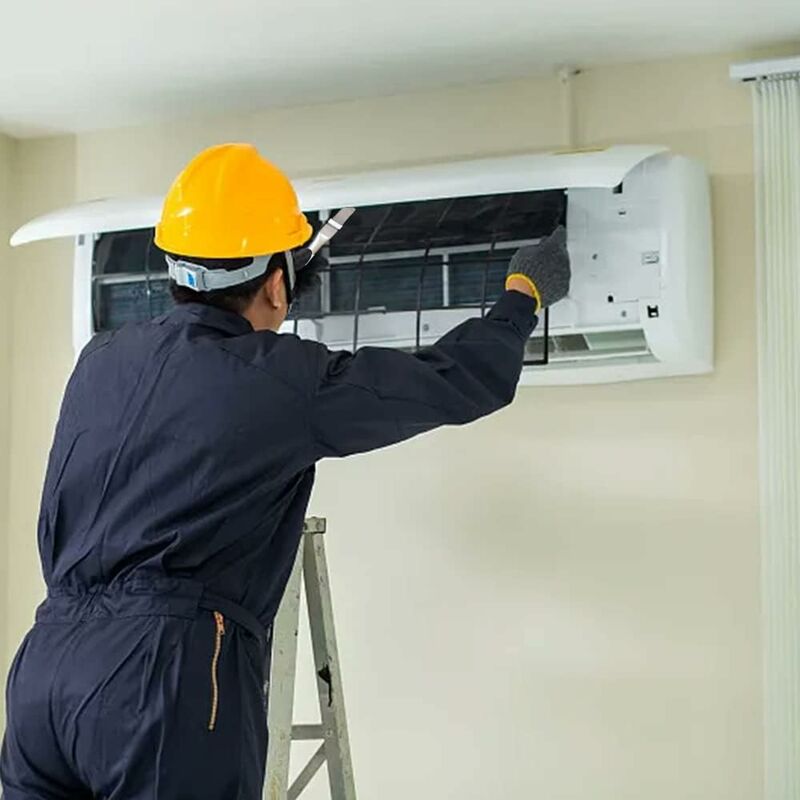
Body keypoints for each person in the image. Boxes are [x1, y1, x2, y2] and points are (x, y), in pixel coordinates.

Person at [0, 143, 570, 800]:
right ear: (276, 283)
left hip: (44, 672)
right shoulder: (279, 378)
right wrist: (523, 294)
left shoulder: (99, 360)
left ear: (175, 269)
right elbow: (457, 379)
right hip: (160, 675)